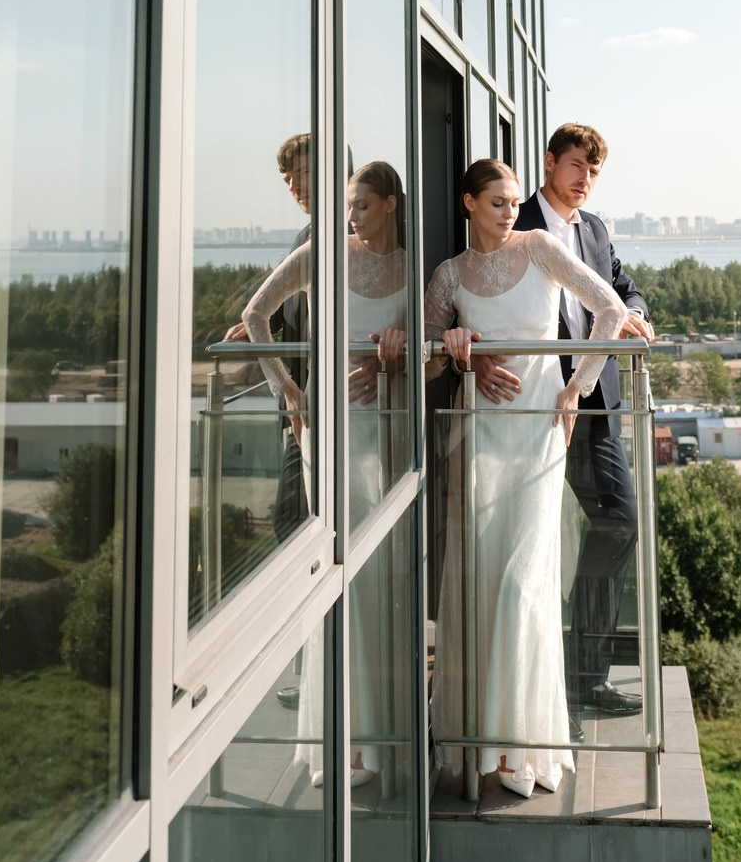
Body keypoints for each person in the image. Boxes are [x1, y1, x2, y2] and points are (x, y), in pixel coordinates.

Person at [425, 158, 626, 798]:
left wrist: (576, 389)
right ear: (467, 203)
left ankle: (523, 746)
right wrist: (459, 348)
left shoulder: (540, 248)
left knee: (521, 583)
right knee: (482, 580)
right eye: (497, 202)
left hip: (541, 430)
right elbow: (426, 364)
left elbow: (610, 310)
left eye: (514, 200)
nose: (511, 211)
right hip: (481, 434)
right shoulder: (448, 275)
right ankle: (479, 744)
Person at [243, 161, 408, 786]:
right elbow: (257, 315)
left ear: (390, 204)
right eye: (346, 207)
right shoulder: (321, 254)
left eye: (361, 206)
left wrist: (399, 354)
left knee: (378, 576)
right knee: (336, 571)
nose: (350, 217)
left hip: (387, 433)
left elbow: (424, 350)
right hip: (331, 433)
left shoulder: (409, 269)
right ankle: (340, 739)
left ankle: (378, 739)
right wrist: (287, 387)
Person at [511, 123, 653, 735]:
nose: (584, 179)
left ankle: (581, 678)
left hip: (592, 403)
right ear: (549, 163)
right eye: (575, 166)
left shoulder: (593, 230)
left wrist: (638, 314)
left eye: (593, 171)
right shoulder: (512, 224)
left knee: (617, 524)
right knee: (536, 542)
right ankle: (551, 687)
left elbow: (622, 289)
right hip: (536, 404)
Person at [222, 131, 313, 543]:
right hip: (298, 399)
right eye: (288, 180)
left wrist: (291, 392)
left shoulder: (342, 236)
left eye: (305, 173)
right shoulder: (306, 236)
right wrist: (267, 330)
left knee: (291, 521)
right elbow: (306, 311)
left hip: (312, 400)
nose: (295, 187)